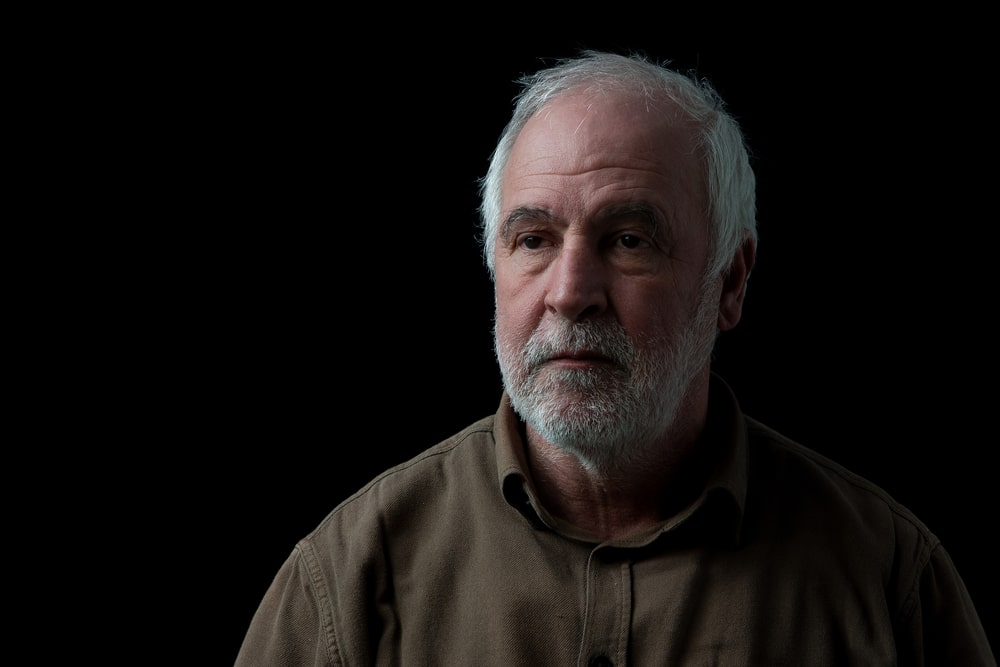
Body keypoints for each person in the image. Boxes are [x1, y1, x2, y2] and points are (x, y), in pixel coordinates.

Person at [234, 50, 994, 665]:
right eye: (533, 240)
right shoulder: (348, 578)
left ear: (731, 282)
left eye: (629, 240)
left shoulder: (889, 580)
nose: (571, 293)